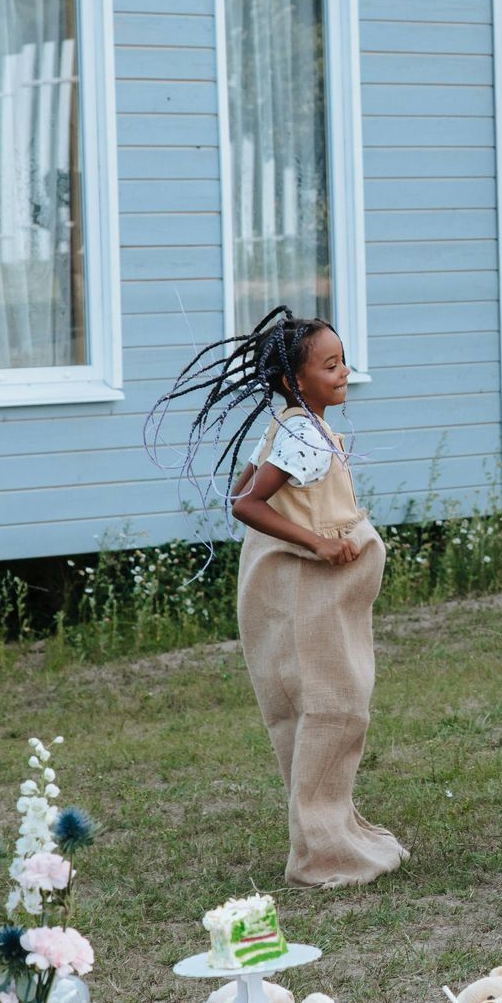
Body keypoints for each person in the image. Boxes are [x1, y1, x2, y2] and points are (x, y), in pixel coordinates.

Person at [149, 306, 407, 888]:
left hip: (315, 593)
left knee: (329, 706)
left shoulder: (295, 426)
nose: (344, 372)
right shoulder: (300, 436)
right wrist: (317, 540)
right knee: (332, 706)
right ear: (296, 380)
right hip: (308, 592)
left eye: (343, 361)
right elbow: (245, 503)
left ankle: (331, 828)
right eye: (330, 364)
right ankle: (322, 850)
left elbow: (246, 486)